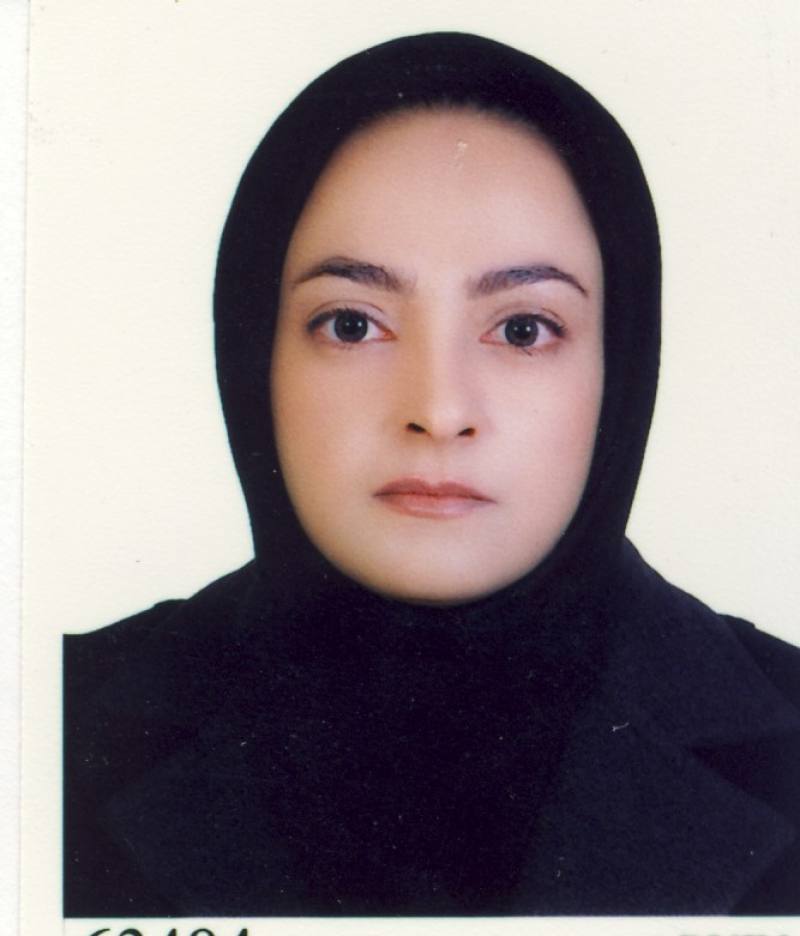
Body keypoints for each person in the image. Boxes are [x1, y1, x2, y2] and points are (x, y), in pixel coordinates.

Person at [63, 32, 800, 917]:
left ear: (622, 368)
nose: (440, 410)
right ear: (254, 357)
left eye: (523, 329)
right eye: (351, 324)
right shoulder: (49, 724)